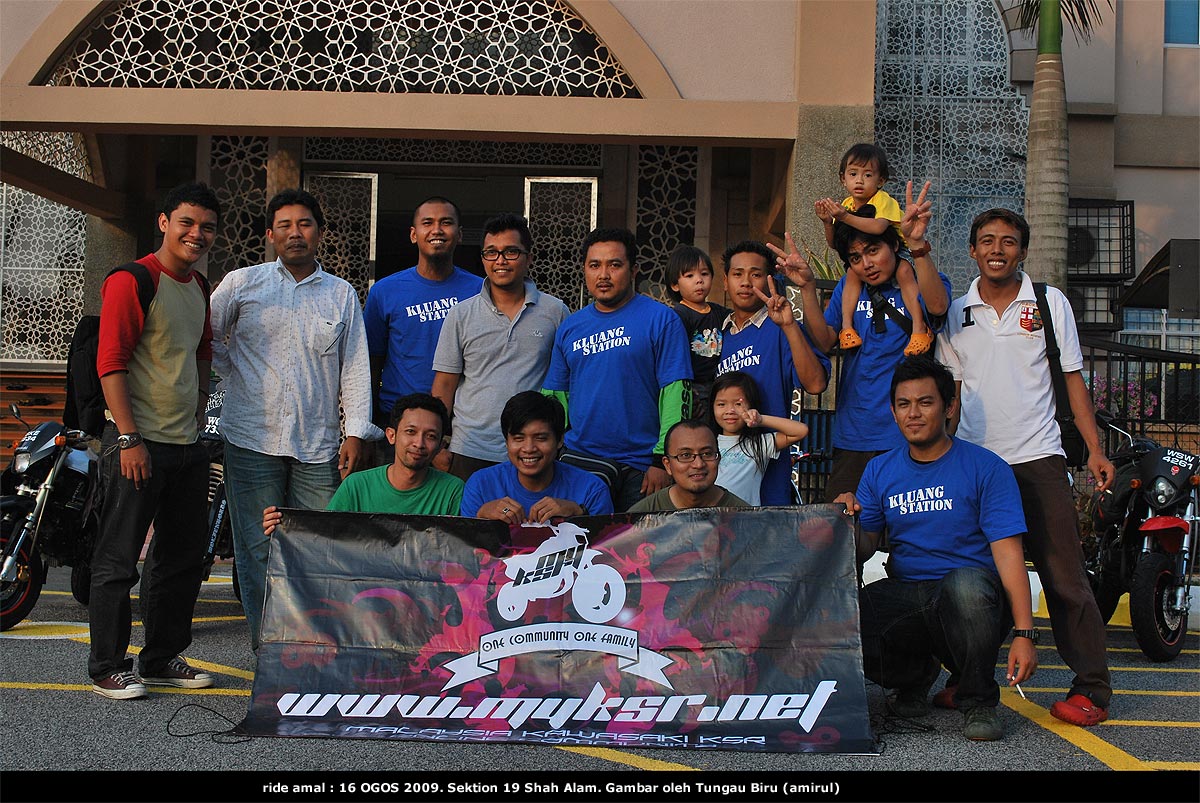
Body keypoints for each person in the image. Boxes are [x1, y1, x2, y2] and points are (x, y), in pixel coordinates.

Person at [934, 208, 1114, 728]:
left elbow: (1073, 380)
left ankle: (1092, 689)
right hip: (976, 464)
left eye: (1009, 241)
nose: (998, 249)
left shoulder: (1050, 302)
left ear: (1023, 251)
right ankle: (969, 681)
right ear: (972, 250)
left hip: (1039, 458)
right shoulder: (956, 311)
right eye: (987, 241)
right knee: (974, 579)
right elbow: (952, 395)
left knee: (1064, 577)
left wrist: (1095, 449)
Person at [209, 188, 381, 653]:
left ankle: (313, 650)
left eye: (304, 224)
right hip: (251, 438)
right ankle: (268, 651)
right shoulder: (242, 284)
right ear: (270, 235)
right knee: (257, 549)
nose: (295, 233)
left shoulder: (340, 294)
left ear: (319, 233)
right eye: (284, 225)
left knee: (318, 546)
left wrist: (355, 432)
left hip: (317, 445)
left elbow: (354, 366)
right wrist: (235, 373)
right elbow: (208, 338)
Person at [837, 356, 1036, 741]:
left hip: (970, 599)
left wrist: (1025, 634)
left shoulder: (987, 467)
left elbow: (1009, 554)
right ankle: (914, 678)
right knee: (845, 613)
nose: (913, 413)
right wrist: (844, 520)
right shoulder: (879, 470)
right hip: (908, 592)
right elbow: (863, 549)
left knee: (966, 587)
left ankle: (977, 700)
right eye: (904, 404)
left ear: (949, 407)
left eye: (925, 402)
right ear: (893, 411)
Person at [89, 182, 221, 699]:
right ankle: (107, 666)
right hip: (138, 442)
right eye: (186, 223)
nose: (196, 234)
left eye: (207, 227)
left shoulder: (199, 286)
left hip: (187, 444)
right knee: (119, 560)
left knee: (182, 559)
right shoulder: (134, 279)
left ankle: (162, 657)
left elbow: (202, 350)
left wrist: (200, 406)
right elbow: (110, 362)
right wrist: (128, 438)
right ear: (164, 222)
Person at [774, 179, 950, 504]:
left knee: (903, 527)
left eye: (873, 251)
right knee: (843, 525)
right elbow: (825, 340)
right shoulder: (848, 289)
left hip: (908, 434)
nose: (866, 264)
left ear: (893, 246)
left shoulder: (916, 280)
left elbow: (938, 306)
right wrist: (808, 288)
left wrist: (917, 244)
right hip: (853, 434)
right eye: (856, 258)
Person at [541, 227, 694, 512]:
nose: (603, 275)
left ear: (633, 270)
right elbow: (554, 398)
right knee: (583, 538)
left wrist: (662, 459)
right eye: (594, 265)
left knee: (638, 541)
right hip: (581, 463)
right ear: (584, 270)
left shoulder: (662, 320)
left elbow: (676, 392)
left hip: (643, 468)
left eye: (614, 265)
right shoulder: (570, 327)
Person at [431, 214, 568, 482]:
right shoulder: (461, 314)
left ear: (529, 258)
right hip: (469, 448)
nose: (500, 260)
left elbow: (565, 383)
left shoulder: (555, 312)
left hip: (531, 450)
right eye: (491, 252)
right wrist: (437, 445)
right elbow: (444, 384)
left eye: (511, 252)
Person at [715, 240, 829, 505]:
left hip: (771, 473)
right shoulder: (718, 336)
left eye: (755, 274)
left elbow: (815, 384)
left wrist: (789, 326)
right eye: (737, 274)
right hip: (724, 481)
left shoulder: (779, 328)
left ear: (769, 281)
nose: (746, 282)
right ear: (725, 281)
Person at [263, 393, 464, 534]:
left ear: (441, 446)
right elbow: (324, 537)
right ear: (391, 435)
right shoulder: (356, 486)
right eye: (410, 432)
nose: (418, 443)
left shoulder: (453, 491)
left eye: (430, 436)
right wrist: (285, 526)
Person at [364, 196, 483, 430]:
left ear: (459, 234)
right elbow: (372, 362)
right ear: (413, 234)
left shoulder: (480, 290)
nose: (436, 230)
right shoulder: (384, 291)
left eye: (446, 222)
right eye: (427, 223)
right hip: (398, 420)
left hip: (462, 422)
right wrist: (368, 424)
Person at [815, 143, 932, 356]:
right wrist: (827, 223)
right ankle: (847, 327)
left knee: (904, 272)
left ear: (881, 181)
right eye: (853, 174)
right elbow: (835, 244)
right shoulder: (847, 204)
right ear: (843, 179)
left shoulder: (883, 200)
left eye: (867, 175)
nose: (859, 180)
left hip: (898, 253)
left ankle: (918, 328)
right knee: (852, 274)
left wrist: (844, 217)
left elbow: (879, 228)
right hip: (866, 255)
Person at [460, 391, 613, 522]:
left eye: (541, 438)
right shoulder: (480, 485)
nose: (528, 448)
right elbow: (466, 546)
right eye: (519, 438)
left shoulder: (592, 490)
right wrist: (481, 517)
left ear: (560, 440)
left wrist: (580, 514)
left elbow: (606, 546)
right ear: (506, 442)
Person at [709, 371, 810, 506]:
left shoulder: (759, 444)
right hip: (710, 516)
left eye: (738, 404)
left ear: (752, 406)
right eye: (721, 404)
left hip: (745, 518)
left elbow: (801, 431)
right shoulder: (706, 442)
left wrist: (761, 419)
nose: (730, 410)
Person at [665, 245, 729, 417]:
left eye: (704, 274)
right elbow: (675, 359)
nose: (699, 280)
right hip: (694, 388)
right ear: (675, 285)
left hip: (719, 386)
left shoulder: (720, 313)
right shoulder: (678, 316)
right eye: (689, 276)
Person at [628, 420, 749, 512]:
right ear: (667, 465)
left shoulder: (743, 516)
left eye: (707, 454)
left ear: (718, 459)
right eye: (685, 455)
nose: (698, 464)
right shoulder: (642, 517)